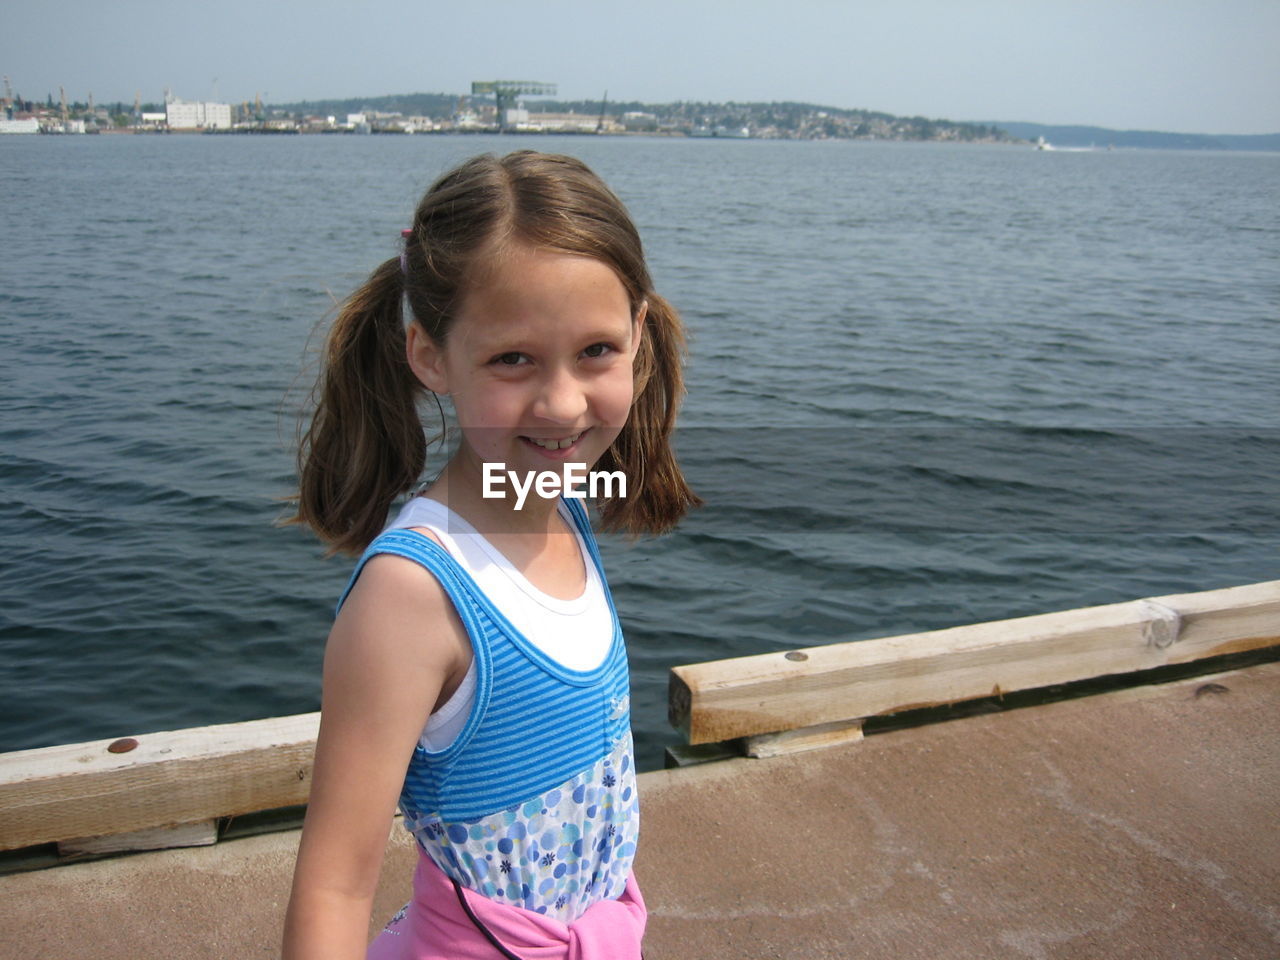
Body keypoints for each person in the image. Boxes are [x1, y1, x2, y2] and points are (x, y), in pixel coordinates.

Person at [282, 151, 698, 960]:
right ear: (430, 355)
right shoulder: (413, 596)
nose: (564, 402)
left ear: (639, 333)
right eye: (513, 359)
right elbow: (333, 888)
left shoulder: (561, 513)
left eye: (597, 352)